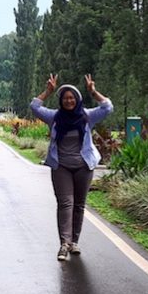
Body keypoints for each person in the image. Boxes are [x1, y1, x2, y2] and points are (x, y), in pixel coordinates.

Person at [31, 73, 113, 261]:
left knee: (79, 205)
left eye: (72, 97)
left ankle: (74, 242)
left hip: (84, 166)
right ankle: (64, 244)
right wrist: (48, 91)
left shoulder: (87, 116)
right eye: (65, 98)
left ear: (77, 99)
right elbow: (34, 106)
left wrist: (94, 92)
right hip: (61, 167)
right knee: (65, 203)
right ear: (61, 100)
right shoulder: (54, 117)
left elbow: (108, 107)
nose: (69, 101)